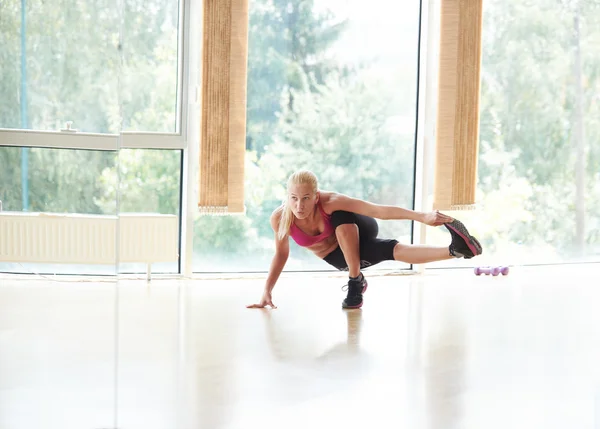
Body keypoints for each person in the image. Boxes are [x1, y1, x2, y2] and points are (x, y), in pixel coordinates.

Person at [246, 169, 482, 310]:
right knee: (389, 250)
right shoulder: (280, 219)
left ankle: (354, 282)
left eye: (306, 198)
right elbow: (281, 253)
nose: (300, 205)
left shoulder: (329, 201)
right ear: (287, 196)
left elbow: (378, 211)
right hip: (339, 256)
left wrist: (422, 216)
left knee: (341, 213)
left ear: (316, 196)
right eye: (294, 198)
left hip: (360, 229)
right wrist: (267, 290)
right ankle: (457, 251)